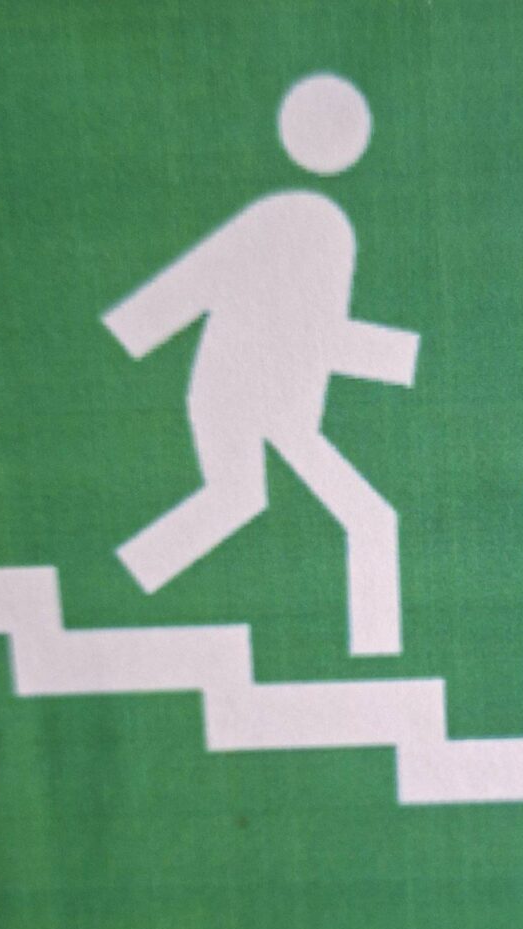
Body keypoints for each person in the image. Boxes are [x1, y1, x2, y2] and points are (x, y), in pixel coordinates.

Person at [102, 73, 418, 658]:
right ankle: (120, 586)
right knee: (336, 513)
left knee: (344, 515)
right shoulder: (304, 224)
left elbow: (300, 331)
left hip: (277, 407)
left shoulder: (319, 227)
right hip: (243, 399)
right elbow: (219, 297)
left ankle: (375, 654)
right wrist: (395, 359)